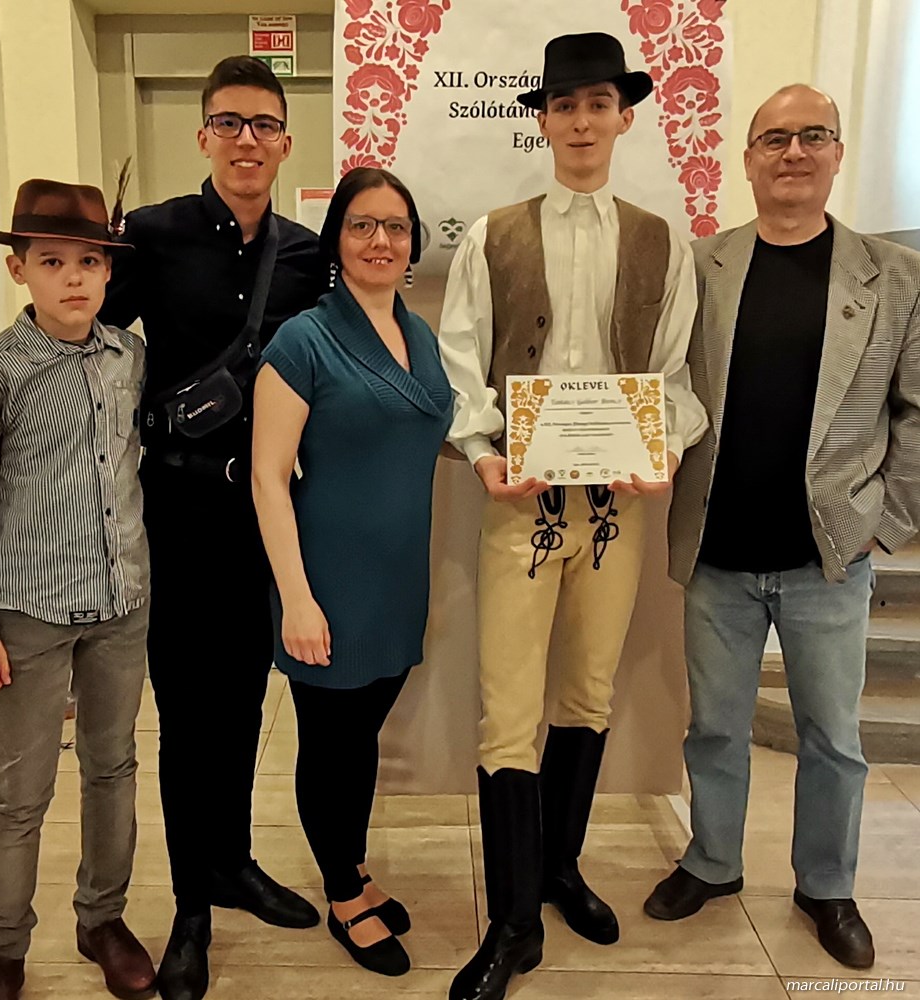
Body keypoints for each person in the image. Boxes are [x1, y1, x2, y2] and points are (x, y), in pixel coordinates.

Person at [438, 32, 709, 1000]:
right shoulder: (494, 235)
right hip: (523, 499)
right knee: (508, 705)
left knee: (588, 690)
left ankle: (558, 868)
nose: (582, 121)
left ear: (624, 117)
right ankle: (512, 923)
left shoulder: (662, 239)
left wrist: (663, 445)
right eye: (564, 105)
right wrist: (482, 450)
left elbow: (673, 371)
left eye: (598, 103)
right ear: (543, 122)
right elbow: (459, 357)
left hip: (616, 505)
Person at [644, 84, 920, 971]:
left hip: (828, 556)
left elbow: (916, 412)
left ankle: (827, 886)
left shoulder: (896, 275)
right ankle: (712, 861)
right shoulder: (702, 265)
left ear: (837, 152)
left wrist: (888, 522)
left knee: (833, 738)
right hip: (716, 549)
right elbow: (662, 383)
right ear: (749, 158)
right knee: (714, 729)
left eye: (812, 136)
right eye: (774, 139)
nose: (793, 152)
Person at [99, 55, 322, 1000]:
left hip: (266, 515)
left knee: (242, 704)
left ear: (284, 141)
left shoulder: (307, 254)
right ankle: (191, 907)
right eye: (228, 122)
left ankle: (233, 864)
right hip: (177, 513)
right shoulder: (150, 236)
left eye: (263, 124)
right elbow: (91, 342)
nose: (246, 140)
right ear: (203, 135)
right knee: (188, 717)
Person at [0, 180, 155, 1000]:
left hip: (121, 602)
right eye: (52, 261)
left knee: (113, 766)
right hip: (26, 611)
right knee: (20, 791)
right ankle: (0, 948)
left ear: (108, 270)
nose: (73, 278)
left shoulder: (129, 358)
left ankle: (102, 918)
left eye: (89, 262)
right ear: (18, 269)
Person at [252, 167, 452, 977]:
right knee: (331, 742)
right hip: (327, 579)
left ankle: (354, 866)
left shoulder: (419, 334)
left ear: (413, 243)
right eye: (363, 225)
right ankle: (342, 894)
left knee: (361, 738)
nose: (381, 241)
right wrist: (297, 599)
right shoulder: (302, 341)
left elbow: (429, 429)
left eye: (396, 227)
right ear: (337, 239)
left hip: (398, 578)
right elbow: (268, 478)